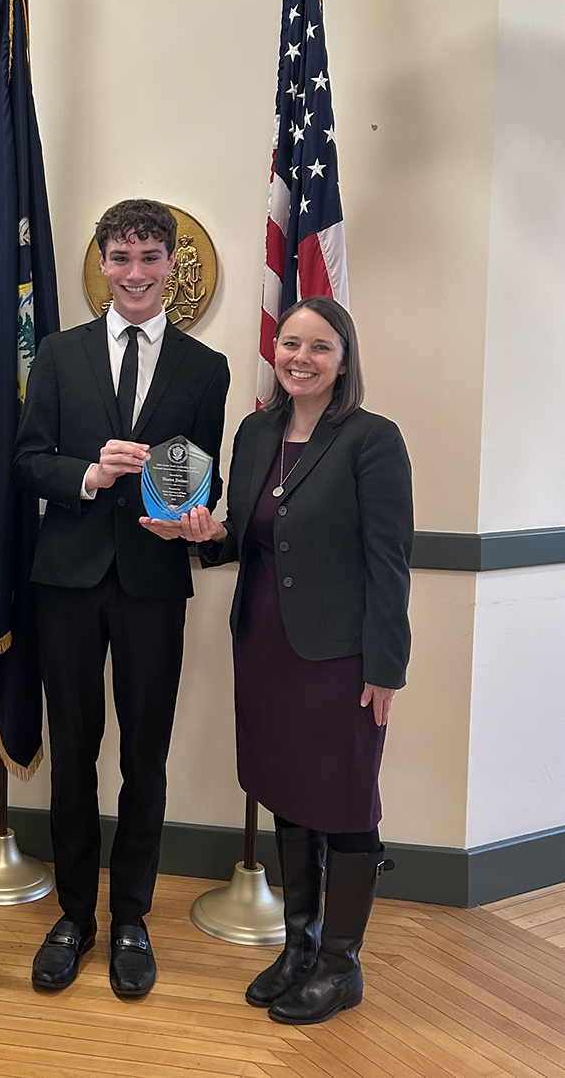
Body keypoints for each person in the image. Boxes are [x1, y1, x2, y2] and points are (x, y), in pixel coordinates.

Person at [158, 296, 413, 1025]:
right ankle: (298, 946)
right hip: (264, 644)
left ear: (344, 359)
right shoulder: (256, 430)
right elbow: (242, 534)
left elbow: (390, 562)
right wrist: (199, 533)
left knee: (345, 802)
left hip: (341, 656)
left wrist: (386, 666)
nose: (300, 357)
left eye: (320, 346)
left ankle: (341, 965)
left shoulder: (372, 439)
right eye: (290, 343)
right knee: (288, 792)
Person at [12, 198, 230, 998]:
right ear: (101, 263)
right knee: (73, 755)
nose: (135, 273)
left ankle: (131, 916)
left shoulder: (207, 369)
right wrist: (87, 475)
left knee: (145, 756)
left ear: (172, 265)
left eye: (150, 257)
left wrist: (199, 524)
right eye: (121, 256)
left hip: (152, 585)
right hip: (66, 582)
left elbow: (204, 476)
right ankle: (74, 916)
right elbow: (28, 462)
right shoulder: (61, 356)